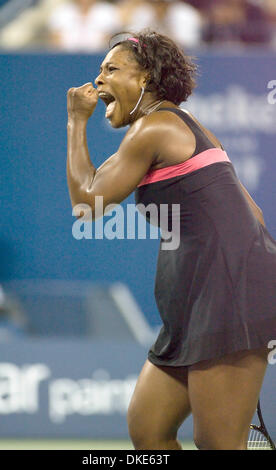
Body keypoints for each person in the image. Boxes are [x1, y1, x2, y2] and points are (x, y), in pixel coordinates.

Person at [66, 30, 276, 450]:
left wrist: (76, 120)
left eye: (112, 69)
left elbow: (87, 203)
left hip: (229, 302)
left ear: (145, 77)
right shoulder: (183, 128)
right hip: (195, 308)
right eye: (99, 70)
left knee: (216, 443)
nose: (99, 80)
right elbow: (254, 215)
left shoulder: (155, 126)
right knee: (148, 430)